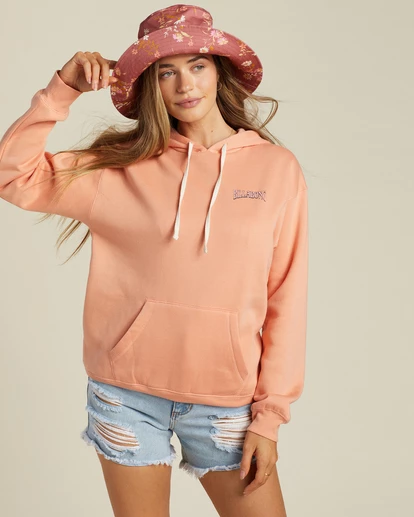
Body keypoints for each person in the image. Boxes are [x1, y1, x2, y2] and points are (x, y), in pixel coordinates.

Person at [0, 4, 308, 516]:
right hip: (125, 396)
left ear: (219, 72)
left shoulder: (276, 170)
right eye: (166, 72)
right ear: (150, 85)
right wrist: (63, 88)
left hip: (226, 400)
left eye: (197, 66)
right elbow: (13, 175)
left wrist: (270, 416)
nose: (185, 84)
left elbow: (287, 296)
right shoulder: (119, 169)